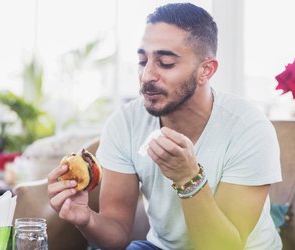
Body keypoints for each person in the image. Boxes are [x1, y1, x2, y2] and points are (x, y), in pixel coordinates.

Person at [47, 2, 282, 250]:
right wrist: (86, 219)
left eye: (166, 63)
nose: (147, 75)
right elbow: (116, 235)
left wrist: (188, 179)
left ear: (206, 70)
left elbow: (223, 246)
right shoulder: (125, 123)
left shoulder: (249, 128)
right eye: (142, 60)